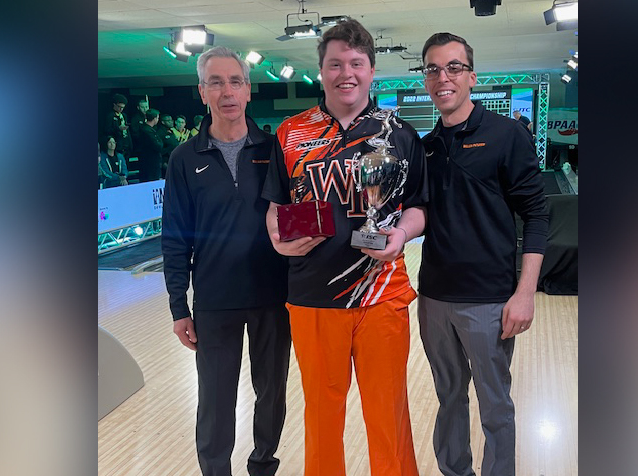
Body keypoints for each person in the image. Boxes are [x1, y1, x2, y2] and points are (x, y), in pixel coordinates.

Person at [262, 18, 426, 476]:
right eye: (335, 64)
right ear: (321, 71)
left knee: (388, 414)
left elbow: (419, 207)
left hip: (382, 292)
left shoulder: (399, 133)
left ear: (372, 69)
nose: (346, 73)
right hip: (312, 295)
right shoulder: (290, 133)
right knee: (321, 415)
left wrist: (401, 235)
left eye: (356, 63)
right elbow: (275, 207)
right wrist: (278, 240)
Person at [417, 32, 549, 476]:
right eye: (433, 69)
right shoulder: (426, 147)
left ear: (472, 76)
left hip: (490, 301)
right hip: (434, 299)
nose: (443, 77)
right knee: (449, 399)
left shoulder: (506, 135)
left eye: (453, 67)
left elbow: (536, 215)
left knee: (494, 405)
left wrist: (525, 293)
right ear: (426, 80)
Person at [161, 46, 291, 476]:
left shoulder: (275, 151)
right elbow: (175, 237)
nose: (227, 91)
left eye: (235, 81)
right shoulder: (184, 159)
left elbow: (293, 221)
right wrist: (179, 307)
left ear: (248, 90)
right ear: (202, 92)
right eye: (215, 82)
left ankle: (263, 465)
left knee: (271, 394)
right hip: (215, 301)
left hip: (273, 297)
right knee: (215, 400)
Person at [133, 108, 163, 182]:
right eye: (157, 118)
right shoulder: (146, 130)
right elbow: (158, 145)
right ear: (154, 118)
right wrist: (160, 143)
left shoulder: (150, 129)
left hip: (153, 161)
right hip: (149, 162)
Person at [102, 93, 132, 158]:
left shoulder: (124, 115)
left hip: (125, 144)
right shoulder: (110, 116)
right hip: (116, 144)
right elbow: (106, 130)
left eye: (123, 107)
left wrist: (130, 143)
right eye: (119, 107)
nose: (121, 109)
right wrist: (118, 128)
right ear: (114, 104)